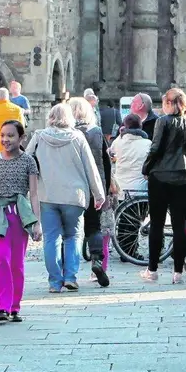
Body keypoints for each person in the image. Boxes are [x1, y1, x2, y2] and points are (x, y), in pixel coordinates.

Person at [26, 102, 106, 293]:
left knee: (51, 238)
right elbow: (91, 167)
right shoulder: (78, 137)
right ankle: (70, 277)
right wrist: (99, 194)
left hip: (48, 195)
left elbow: (26, 161)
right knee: (73, 236)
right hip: (74, 196)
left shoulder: (38, 137)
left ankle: (54, 281)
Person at [0, 120, 43, 324]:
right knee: (1, 258)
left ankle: (15, 306)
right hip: (0, 215)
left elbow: (34, 194)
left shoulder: (28, 162)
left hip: (20, 215)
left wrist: (37, 223)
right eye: (3, 135)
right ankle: (1, 307)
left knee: (17, 262)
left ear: (21, 138)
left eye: (10, 135)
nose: (5, 139)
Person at [141, 89, 186, 284]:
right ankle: (178, 272)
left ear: (169, 103)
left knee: (157, 224)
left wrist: (146, 168)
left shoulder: (163, 122)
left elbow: (155, 148)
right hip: (184, 177)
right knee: (179, 225)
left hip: (160, 176)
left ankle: (152, 269)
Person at [70, 96, 114, 287]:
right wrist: (104, 190)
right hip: (94, 187)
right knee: (94, 227)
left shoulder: (67, 133)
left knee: (69, 232)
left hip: (71, 189)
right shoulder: (96, 132)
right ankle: (96, 259)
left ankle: (67, 273)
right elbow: (106, 164)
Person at [109, 113, 151, 197]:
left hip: (121, 190)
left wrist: (121, 133)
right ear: (141, 126)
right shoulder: (148, 143)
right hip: (141, 190)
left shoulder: (117, 142)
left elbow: (111, 152)